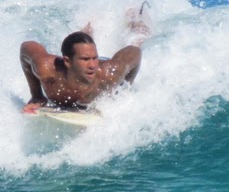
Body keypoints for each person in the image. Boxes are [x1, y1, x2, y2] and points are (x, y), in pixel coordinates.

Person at [19, 8, 149, 113]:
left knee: (137, 40)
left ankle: (136, 20)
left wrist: (122, 92)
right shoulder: (46, 69)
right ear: (67, 62)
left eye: (94, 58)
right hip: (73, 64)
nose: (92, 65)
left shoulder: (109, 75)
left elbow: (135, 52)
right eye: (86, 60)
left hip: (105, 64)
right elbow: (25, 48)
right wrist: (36, 95)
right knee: (80, 43)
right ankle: (89, 26)